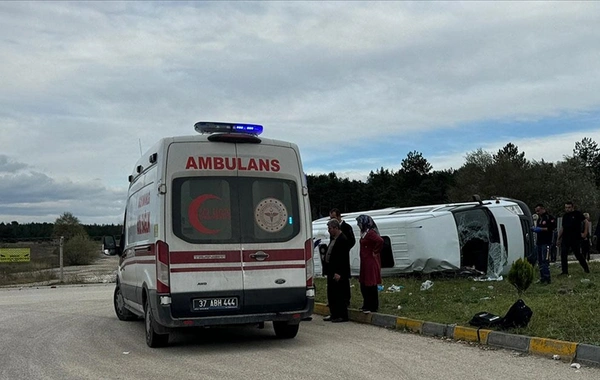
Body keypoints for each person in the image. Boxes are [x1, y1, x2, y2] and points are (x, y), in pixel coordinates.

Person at [322, 219, 351, 323]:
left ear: (335, 228)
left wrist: (339, 272)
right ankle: (334, 314)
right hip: (331, 270)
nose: (329, 231)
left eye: (330, 228)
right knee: (332, 294)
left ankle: (342, 315)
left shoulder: (342, 240)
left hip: (339, 272)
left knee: (340, 295)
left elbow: (342, 258)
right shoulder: (333, 239)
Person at [356, 214, 383, 314]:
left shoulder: (370, 232)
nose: (358, 225)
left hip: (370, 261)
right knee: (364, 284)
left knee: (370, 283)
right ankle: (366, 304)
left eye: (359, 223)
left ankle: (372, 306)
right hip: (365, 261)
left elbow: (380, 240)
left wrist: (375, 251)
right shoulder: (364, 232)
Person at [557, 201, 590, 275]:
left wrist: (585, 233)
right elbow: (563, 227)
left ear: (572, 207)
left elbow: (586, 222)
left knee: (578, 254)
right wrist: (558, 238)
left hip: (575, 238)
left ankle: (586, 268)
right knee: (563, 254)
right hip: (566, 237)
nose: (567, 209)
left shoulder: (577, 214)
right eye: (566, 208)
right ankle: (564, 271)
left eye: (569, 207)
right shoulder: (565, 216)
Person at [531, 204, 556, 284]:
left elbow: (551, 228)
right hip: (539, 242)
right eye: (536, 211)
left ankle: (547, 278)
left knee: (545, 260)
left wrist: (540, 229)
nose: (537, 213)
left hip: (546, 242)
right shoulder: (539, 219)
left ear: (543, 209)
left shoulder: (549, 218)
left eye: (538, 211)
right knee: (540, 261)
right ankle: (542, 278)